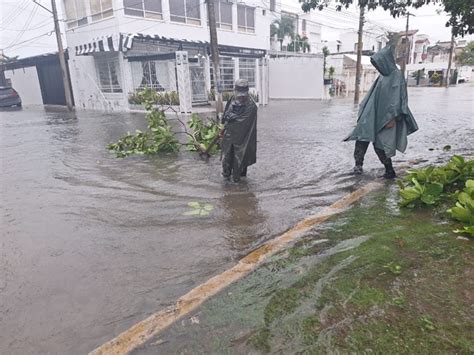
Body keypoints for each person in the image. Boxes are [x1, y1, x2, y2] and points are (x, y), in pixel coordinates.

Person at [345, 45, 419, 179]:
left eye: (378, 64)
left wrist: (393, 118)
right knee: (362, 137)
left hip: (387, 117)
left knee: (381, 144)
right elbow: (374, 95)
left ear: (385, 61)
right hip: (372, 114)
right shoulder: (383, 76)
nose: (377, 67)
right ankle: (358, 166)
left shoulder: (396, 75)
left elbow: (400, 98)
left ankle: (389, 171)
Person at [220, 79, 258, 183]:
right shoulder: (232, 99)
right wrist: (228, 117)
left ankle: (239, 183)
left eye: (243, 95)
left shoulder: (252, 106)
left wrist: (234, 118)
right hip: (229, 137)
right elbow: (225, 116)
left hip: (243, 139)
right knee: (227, 158)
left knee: (240, 159)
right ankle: (226, 182)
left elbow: (243, 122)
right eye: (239, 94)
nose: (241, 97)